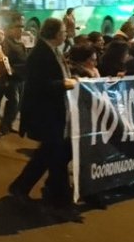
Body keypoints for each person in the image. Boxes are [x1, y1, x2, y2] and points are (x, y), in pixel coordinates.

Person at [7, 18, 80, 220]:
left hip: (55, 113)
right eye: (63, 30)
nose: (66, 33)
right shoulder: (40, 54)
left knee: (45, 155)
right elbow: (39, 86)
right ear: (55, 33)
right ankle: (59, 202)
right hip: (45, 114)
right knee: (56, 157)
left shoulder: (53, 50)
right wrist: (64, 83)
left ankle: (20, 187)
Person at [0, 21, 28, 135]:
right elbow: (4, 59)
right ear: (11, 29)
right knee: (14, 101)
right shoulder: (6, 43)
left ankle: (9, 123)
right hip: (12, 78)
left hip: (22, 77)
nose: (20, 31)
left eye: (22, 28)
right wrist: (9, 71)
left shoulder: (21, 43)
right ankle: (4, 124)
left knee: (19, 102)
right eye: (17, 28)